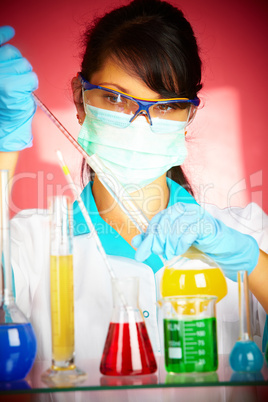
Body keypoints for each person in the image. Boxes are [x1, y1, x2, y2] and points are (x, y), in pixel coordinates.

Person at [0, 0, 267, 362]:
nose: (141, 123)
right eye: (115, 98)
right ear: (80, 99)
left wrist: (251, 262)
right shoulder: (27, 245)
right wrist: (3, 149)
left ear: (188, 115)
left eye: (166, 105)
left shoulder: (248, 234)